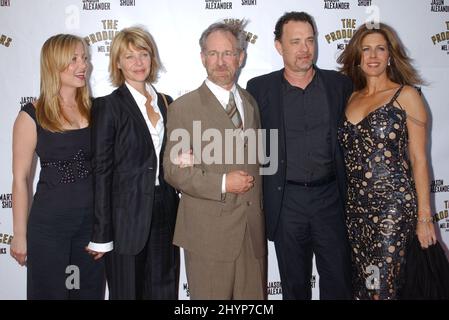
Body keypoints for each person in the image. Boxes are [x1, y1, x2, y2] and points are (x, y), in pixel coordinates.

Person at [246, 11, 352, 300]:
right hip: (286, 201)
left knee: (339, 282)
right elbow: (239, 134)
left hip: (331, 198)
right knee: (294, 287)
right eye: (295, 42)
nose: (305, 49)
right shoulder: (259, 89)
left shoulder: (339, 85)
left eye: (310, 40)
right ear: (279, 47)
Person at [163, 22, 267, 300]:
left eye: (228, 53)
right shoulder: (183, 108)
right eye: (213, 54)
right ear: (202, 57)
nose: (220, 62)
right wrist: (223, 182)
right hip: (208, 235)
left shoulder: (250, 103)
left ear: (241, 57)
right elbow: (173, 170)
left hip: (251, 232)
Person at [337, 23, 437, 300]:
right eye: (366, 49)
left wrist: (425, 217)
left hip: (393, 208)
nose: (373, 56)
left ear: (390, 56)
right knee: (366, 288)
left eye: (380, 49)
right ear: (357, 56)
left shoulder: (407, 95)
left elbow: (419, 159)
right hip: (355, 210)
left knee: (384, 288)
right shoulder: (348, 98)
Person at [85, 26, 180, 300]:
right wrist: (102, 234)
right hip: (125, 216)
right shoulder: (108, 106)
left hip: (165, 207)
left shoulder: (166, 102)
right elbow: (101, 171)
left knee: (165, 289)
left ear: (152, 58)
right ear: (117, 63)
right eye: (129, 56)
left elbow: (162, 155)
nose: (138, 63)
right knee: (128, 292)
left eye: (143, 54)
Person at [10, 34, 105, 299]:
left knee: (87, 294)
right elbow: (20, 179)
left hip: (90, 229)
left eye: (84, 58)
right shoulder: (32, 114)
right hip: (49, 229)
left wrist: (104, 230)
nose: (82, 65)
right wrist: (19, 234)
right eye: (73, 59)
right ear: (54, 63)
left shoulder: (97, 110)